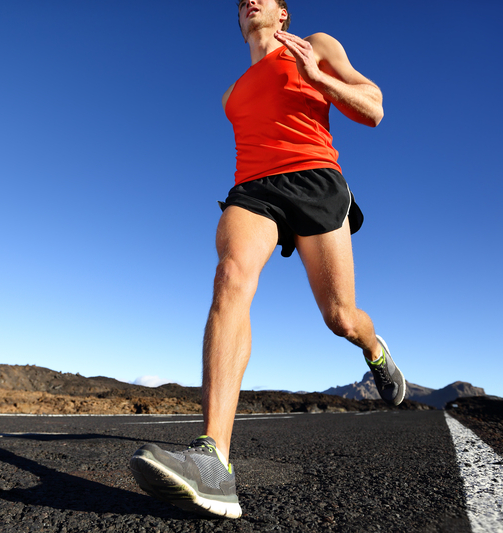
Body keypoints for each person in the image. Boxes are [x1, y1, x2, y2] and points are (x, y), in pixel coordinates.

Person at [129, 0, 405, 519]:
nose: (249, 1)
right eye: (241, 2)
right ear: (241, 21)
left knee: (340, 317)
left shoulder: (317, 45)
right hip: (254, 189)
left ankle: (374, 349)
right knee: (229, 276)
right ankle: (214, 461)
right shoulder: (232, 94)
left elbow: (373, 108)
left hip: (317, 180)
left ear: (283, 14)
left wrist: (318, 78)